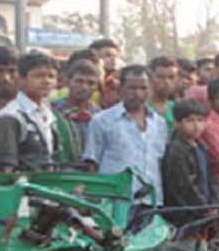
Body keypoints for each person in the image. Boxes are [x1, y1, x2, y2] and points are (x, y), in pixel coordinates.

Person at [82, 64, 168, 199]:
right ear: (121, 89)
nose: (138, 94)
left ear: (150, 90)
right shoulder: (102, 121)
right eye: (132, 88)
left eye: (143, 88)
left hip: (151, 200)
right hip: (114, 199)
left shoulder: (159, 123)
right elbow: (92, 163)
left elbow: (159, 161)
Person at [0, 52, 70, 172]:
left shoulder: (49, 113)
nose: (46, 81)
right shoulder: (11, 116)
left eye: (51, 76)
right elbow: (6, 168)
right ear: (21, 80)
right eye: (38, 76)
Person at [160, 99, 219, 230]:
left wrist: (215, 203)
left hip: (205, 209)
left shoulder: (201, 147)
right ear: (177, 123)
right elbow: (183, 186)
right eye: (190, 121)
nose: (196, 126)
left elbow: (211, 178)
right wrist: (202, 207)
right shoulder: (176, 150)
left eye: (200, 120)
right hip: (186, 214)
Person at [54, 58, 100, 156]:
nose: (84, 87)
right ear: (68, 81)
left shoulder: (100, 116)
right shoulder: (53, 111)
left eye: (91, 83)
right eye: (79, 81)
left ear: (96, 86)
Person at [147, 56, 179, 130]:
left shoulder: (176, 108)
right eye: (160, 77)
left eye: (171, 77)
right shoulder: (141, 107)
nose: (166, 82)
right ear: (150, 78)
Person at [90, 38, 122, 109]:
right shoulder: (84, 83)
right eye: (108, 55)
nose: (113, 59)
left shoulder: (118, 84)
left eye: (115, 56)